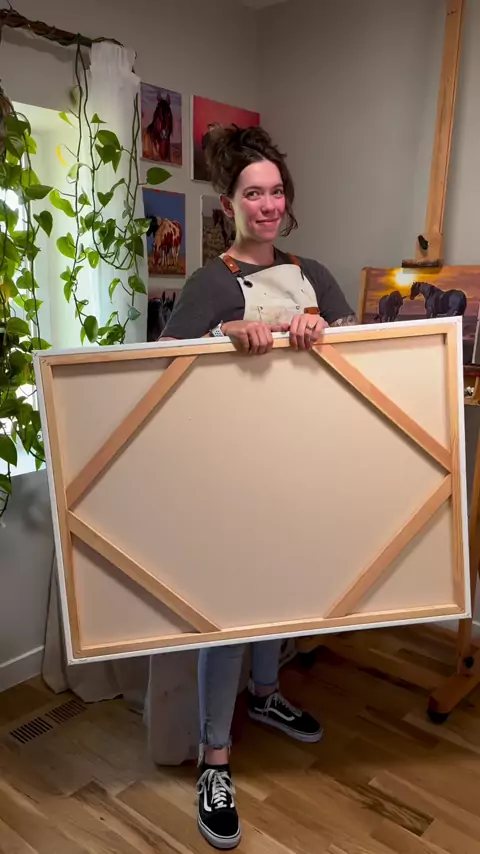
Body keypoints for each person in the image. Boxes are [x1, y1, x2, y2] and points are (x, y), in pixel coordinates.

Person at [160, 124, 357, 850]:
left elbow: (362, 353)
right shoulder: (210, 284)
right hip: (229, 475)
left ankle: (267, 695)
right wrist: (222, 338)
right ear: (229, 205)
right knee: (230, 613)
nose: (268, 205)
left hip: (299, 465)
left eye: (276, 192)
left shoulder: (315, 274)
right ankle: (213, 760)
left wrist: (323, 328)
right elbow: (161, 367)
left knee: (283, 589)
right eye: (253, 194)